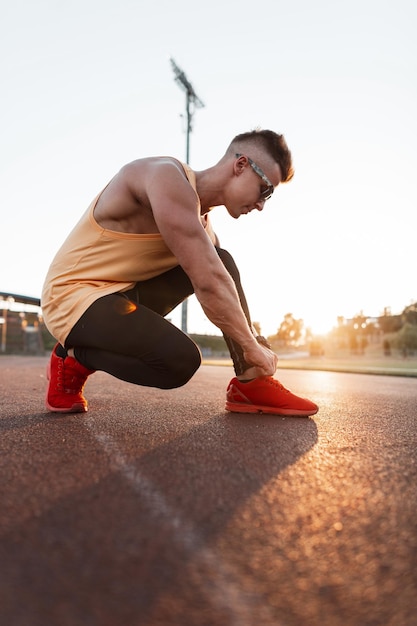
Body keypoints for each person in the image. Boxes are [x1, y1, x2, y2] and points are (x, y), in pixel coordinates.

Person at [41, 129, 318, 417]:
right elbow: (208, 282)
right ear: (241, 165)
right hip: (71, 297)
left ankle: (251, 384)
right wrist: (252, 345)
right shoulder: (164, 177)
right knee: (179, 362)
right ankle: (72, 358)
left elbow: (219, 281)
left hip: (119, 297)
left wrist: (253, 348)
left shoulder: (203, 227)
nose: (261, 205)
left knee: (221, 260)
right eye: (265, 190)